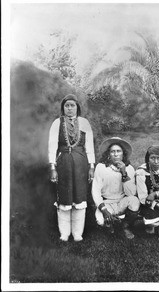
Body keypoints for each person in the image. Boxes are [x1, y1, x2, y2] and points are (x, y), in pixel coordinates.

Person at [48, 94, 95, 242]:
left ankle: (77, 233)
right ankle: (64, 233)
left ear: (77, 107)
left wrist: (91, 166)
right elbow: (52, 146)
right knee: (64, 196)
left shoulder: (84, 123)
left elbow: (89, 147)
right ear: (63, 108)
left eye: (72, 105)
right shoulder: (57, 123)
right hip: (63, 164)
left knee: (79, 196)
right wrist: (53, 167)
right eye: (66, 105)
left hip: (81, 164)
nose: (69, 108)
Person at [91, 137, 140, 239]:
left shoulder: (129, 168)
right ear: (108, 154)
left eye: (119, 151)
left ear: (123, 154)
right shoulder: (101, 167)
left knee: (134, 201)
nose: (116, 154)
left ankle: (125, 226)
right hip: (107, 203)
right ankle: (110, 224)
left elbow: (131, 193)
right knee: (100, 221)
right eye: (113, 151)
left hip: (122, 202)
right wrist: (104, 210)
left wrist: (124, 172)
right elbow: (95, 191)